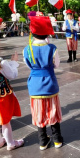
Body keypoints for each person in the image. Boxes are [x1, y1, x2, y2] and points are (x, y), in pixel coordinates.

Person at [23, 16, 63, 150]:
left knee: (39, 112)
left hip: (35, 84)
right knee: (53, 110)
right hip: (50, 82)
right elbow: (56, 65)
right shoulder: (52, 48)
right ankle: (57, 139)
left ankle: (42, 141)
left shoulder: (27, 49)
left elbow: (29, 65)